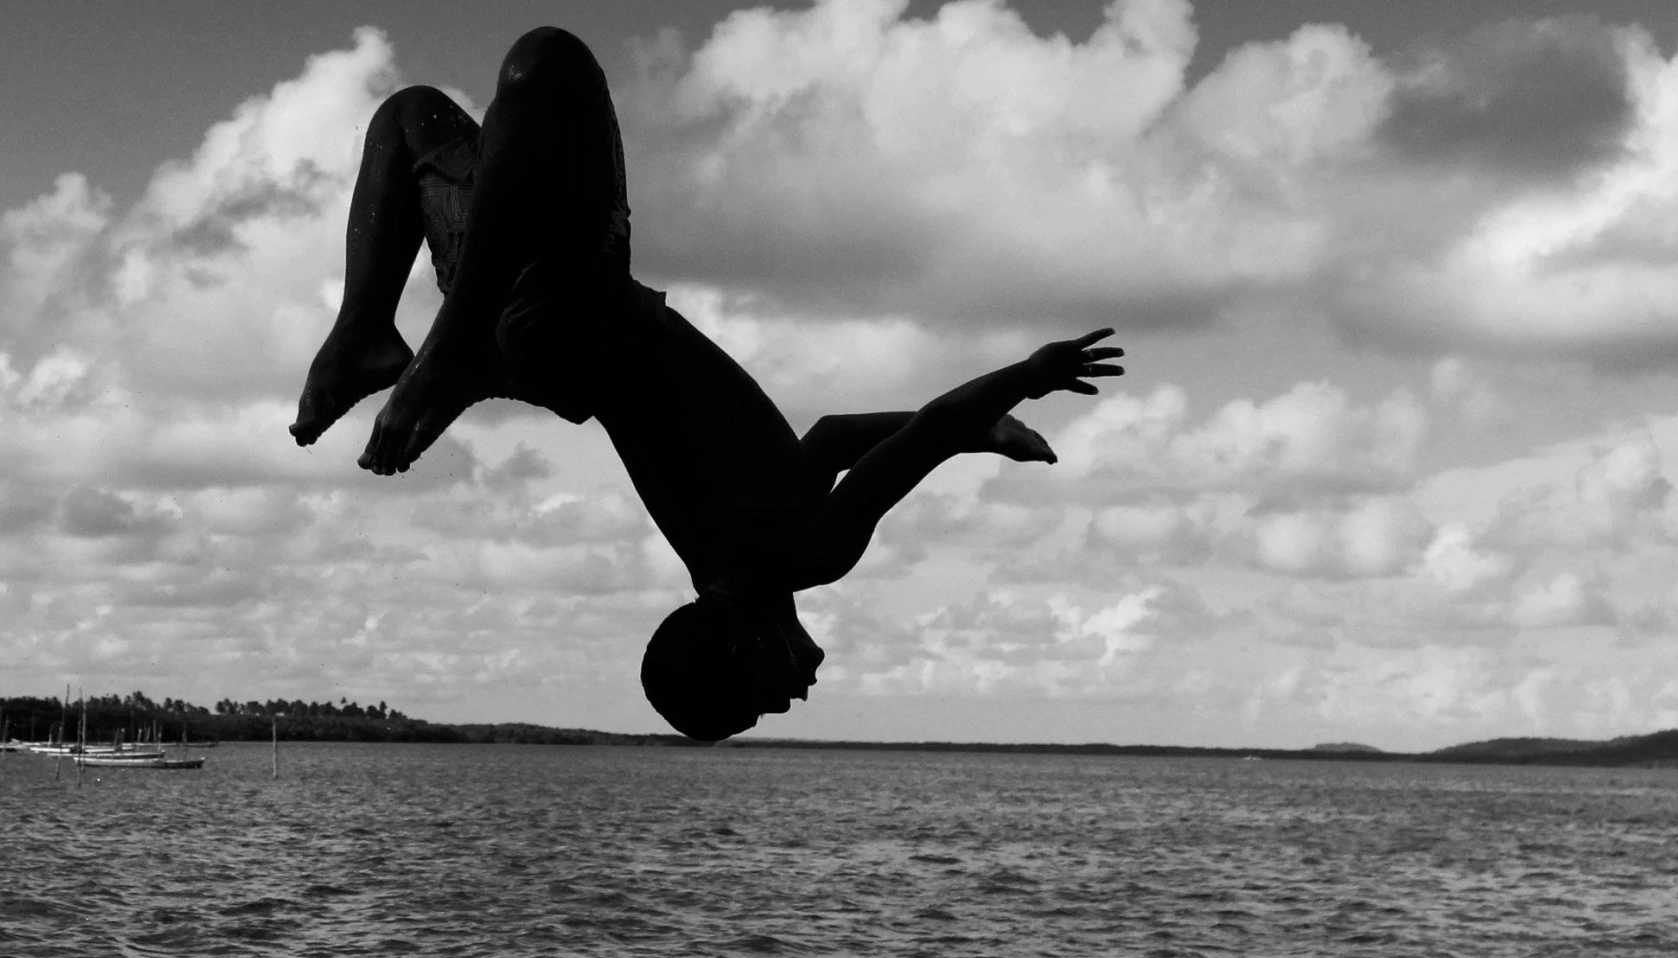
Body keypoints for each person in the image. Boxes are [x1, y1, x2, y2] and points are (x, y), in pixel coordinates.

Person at [290, 27, 1122, 741]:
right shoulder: (736, 553)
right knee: (412, 118)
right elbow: (833, 436)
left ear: (744, 647)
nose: (792, 700)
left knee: (550, 66)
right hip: (534, 315)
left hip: (570, 306)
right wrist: (985, 433)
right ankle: (368, 330)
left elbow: (931, 426)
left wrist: (1028, 377)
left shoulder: (812, 553)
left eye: (761, 704)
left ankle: (441, 348)